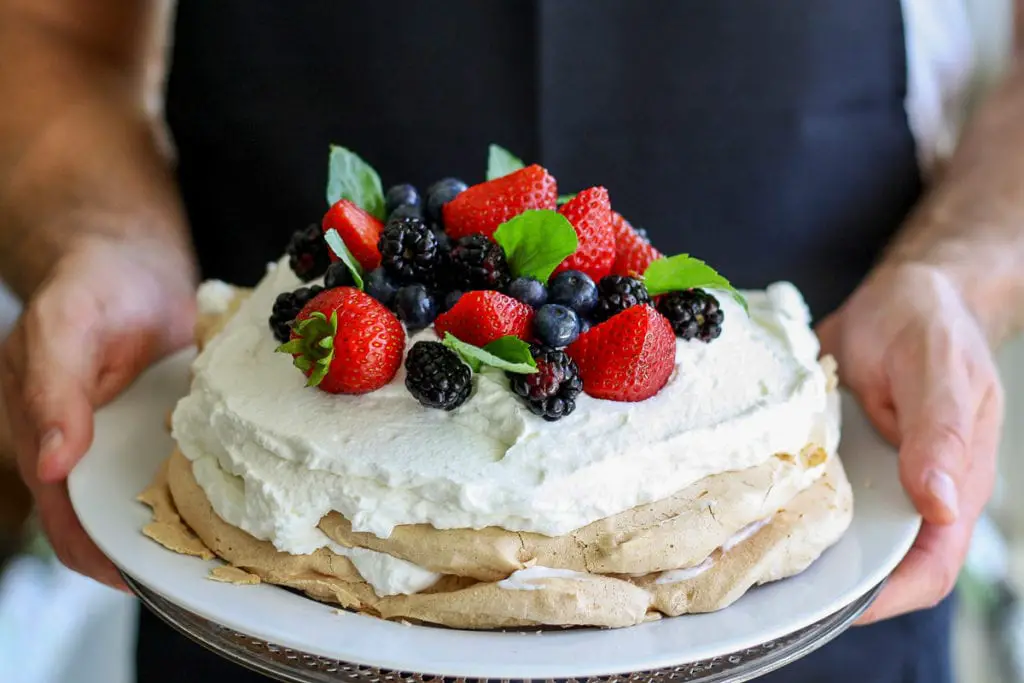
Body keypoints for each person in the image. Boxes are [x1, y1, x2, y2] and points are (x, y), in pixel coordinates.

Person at [0, 1, 1019, 681]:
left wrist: (958, 277)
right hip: (268, 576)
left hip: (801, 590)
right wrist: (101, 242)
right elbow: (46, 29)